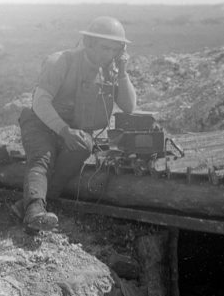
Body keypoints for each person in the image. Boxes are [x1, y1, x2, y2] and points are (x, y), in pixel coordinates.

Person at [13, 16, 137, 230]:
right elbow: (40, 102)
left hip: (71, 130)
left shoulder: (109, 71)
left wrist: (122, 72)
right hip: (41, 123)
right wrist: (64, 131)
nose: (108, 54)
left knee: (84, 146)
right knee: (43, 158)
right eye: (104, 48)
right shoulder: (61, 61)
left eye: (115, 50)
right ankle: (34, 210)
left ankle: (26, 206)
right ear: (88, 42)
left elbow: (129, 106)